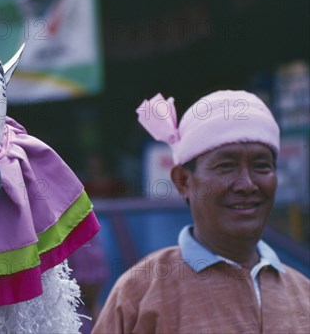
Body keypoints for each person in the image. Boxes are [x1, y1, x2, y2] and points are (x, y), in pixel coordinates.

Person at [92, 90, 310, 334]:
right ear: (183, 181)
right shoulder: (139, 294)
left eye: (261, 166)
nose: (248, 184)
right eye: (226, 166)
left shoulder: (303, 294)